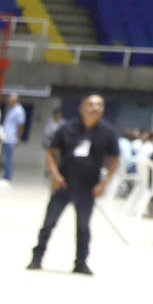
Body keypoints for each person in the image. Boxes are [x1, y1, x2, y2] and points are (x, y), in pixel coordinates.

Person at [29, 93, 118, 276]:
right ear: (82, 107)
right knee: (49, 223)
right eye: (91, 104)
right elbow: (51, 152)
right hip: (64, 183)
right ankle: (37, 258)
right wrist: (55, 175)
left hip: (87, 187)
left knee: (83, 227)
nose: (95, 108)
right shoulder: (67, 128)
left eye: (99, 105)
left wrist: (104, 183)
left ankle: (81, 262)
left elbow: (114, 158)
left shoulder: (107, 132)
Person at [0, 92, 26, 184]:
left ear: (16, 100)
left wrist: (19, 137)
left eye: (11, 99)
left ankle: (7, 178)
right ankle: (5, 176)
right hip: (6, 138)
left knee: (8, 159)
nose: (9, 100)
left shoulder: (19, 110)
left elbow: (21, 125)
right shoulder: (12, 109)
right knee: (5, 158)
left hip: (11, 138)